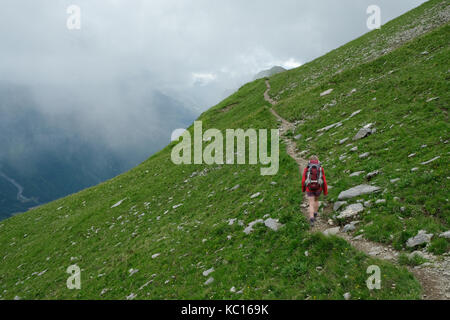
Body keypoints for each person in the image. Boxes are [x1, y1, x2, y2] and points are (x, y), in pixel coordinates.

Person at [301, 155, 328, 227]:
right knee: (316, 200)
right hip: (318, 188)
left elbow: (303, 180)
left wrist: (303, 189)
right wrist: (325, 191)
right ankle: (315, 213)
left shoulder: (307, 168)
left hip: (309, 188)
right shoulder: (320, 168)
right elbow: (324, 181)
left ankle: (311, 218)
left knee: (311, 203)